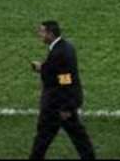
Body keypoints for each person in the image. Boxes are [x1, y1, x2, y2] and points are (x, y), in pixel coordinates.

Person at [29, 21, 96, 160]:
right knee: (78, 136)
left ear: (51, 34)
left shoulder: (58, 52)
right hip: (61, 103)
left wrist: (66, 108)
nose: (39, 35)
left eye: (42, 32)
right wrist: (42, 67)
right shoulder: (65, 47)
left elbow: (65, 80)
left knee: (43, 138)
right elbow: (59, 72)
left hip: (57, 105)